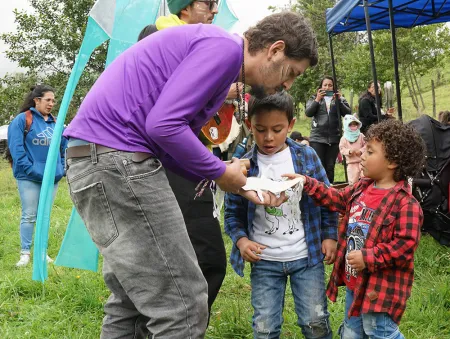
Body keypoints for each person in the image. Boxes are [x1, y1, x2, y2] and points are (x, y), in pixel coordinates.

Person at [63, 11, 318, 338]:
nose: (287, 84)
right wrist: (221, 171)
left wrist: (238, 183)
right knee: (182, 304)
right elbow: (163, 126)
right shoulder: (225, 49)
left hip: (95, 159)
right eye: (292, 73)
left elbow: (166, 147)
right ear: (275, 50)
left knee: (130, 300)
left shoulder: (214, 51)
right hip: (117, 160)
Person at [137, 0, 237, 317]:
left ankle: (182, 324)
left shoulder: (210, 46)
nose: (215, 11)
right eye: (208, 3)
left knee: (206, 257)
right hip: (162, 164)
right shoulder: (155, 34)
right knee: (178, 259)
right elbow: (159, 110)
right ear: (185, 8)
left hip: (191, 161)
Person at [284, 119, 426, 339]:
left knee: (380, 332)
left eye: (369, 151)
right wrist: (307, 182)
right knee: (351, 333)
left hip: (380, 290)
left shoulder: (406, 205)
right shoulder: (362, 188)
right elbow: (337, 199)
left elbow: (404, 246)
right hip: (354, 282)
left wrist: (369, 258)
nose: (361, 153)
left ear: (393, 162)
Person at [224, 92, 338, 339]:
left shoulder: (307, 157)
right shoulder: (243, 167)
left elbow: (327, 199)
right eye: (260, 129)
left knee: (314, 321)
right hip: (265, 261)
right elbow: (232, 213)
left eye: (277, 129)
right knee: (264, 328)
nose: (268, 137)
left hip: (306, 257)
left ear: (291, 125)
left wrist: (330, 236)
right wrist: (242, 241)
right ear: (248, 125)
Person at [7, 85, 67, 267]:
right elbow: (16, 150)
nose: (51, 103)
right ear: (37, 100)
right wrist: (33, 171)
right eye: (48, 100)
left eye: (53, 100)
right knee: (29, 215)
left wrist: (61, 168)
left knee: (45, 216)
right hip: (29, 177)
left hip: (52, 178)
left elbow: (64, 147)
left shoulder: (57, 123)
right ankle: (25, 253)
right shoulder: (22, 120)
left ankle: (42, 252)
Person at [305, 76, 351, 183]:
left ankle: (329, 190)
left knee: (330, 166)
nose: (327, 87)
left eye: (330, 85)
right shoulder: (314, 98)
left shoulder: (340, 99)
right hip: (317, 138)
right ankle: (318, 190)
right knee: (318, 165)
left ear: (334, 87)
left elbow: (347, 113)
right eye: (325, 85)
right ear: (320, 87)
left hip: (334, 137)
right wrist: (317, 99)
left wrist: (339, 100)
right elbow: (308, 112)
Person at [339, 115, 366, 185]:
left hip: (362, 162)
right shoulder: (344, 138)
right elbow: (342, 148)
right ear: (347, 126)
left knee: (365, 180)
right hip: (351, 164)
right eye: (351, 125)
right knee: (353, 183)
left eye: (355, 125)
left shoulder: (361, 135)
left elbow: (367, 145)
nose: (353, 127)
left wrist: (361, 151)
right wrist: (349, 151)